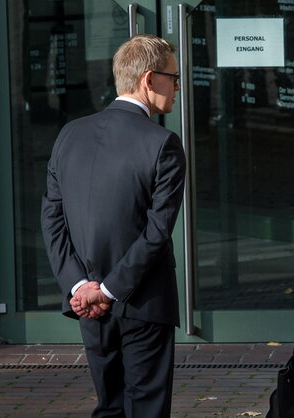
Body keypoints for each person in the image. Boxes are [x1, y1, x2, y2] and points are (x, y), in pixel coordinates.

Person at [40, 34, 186, 417]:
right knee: (147, 407)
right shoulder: (163, 143)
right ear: (149, 79)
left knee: (109, 407)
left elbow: (52, 219)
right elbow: (157, 231)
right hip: (142, 300)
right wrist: (108, 290)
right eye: (174, 77)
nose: (178, 87)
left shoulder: (70, 134)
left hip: (87, 303)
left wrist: (80, 286)